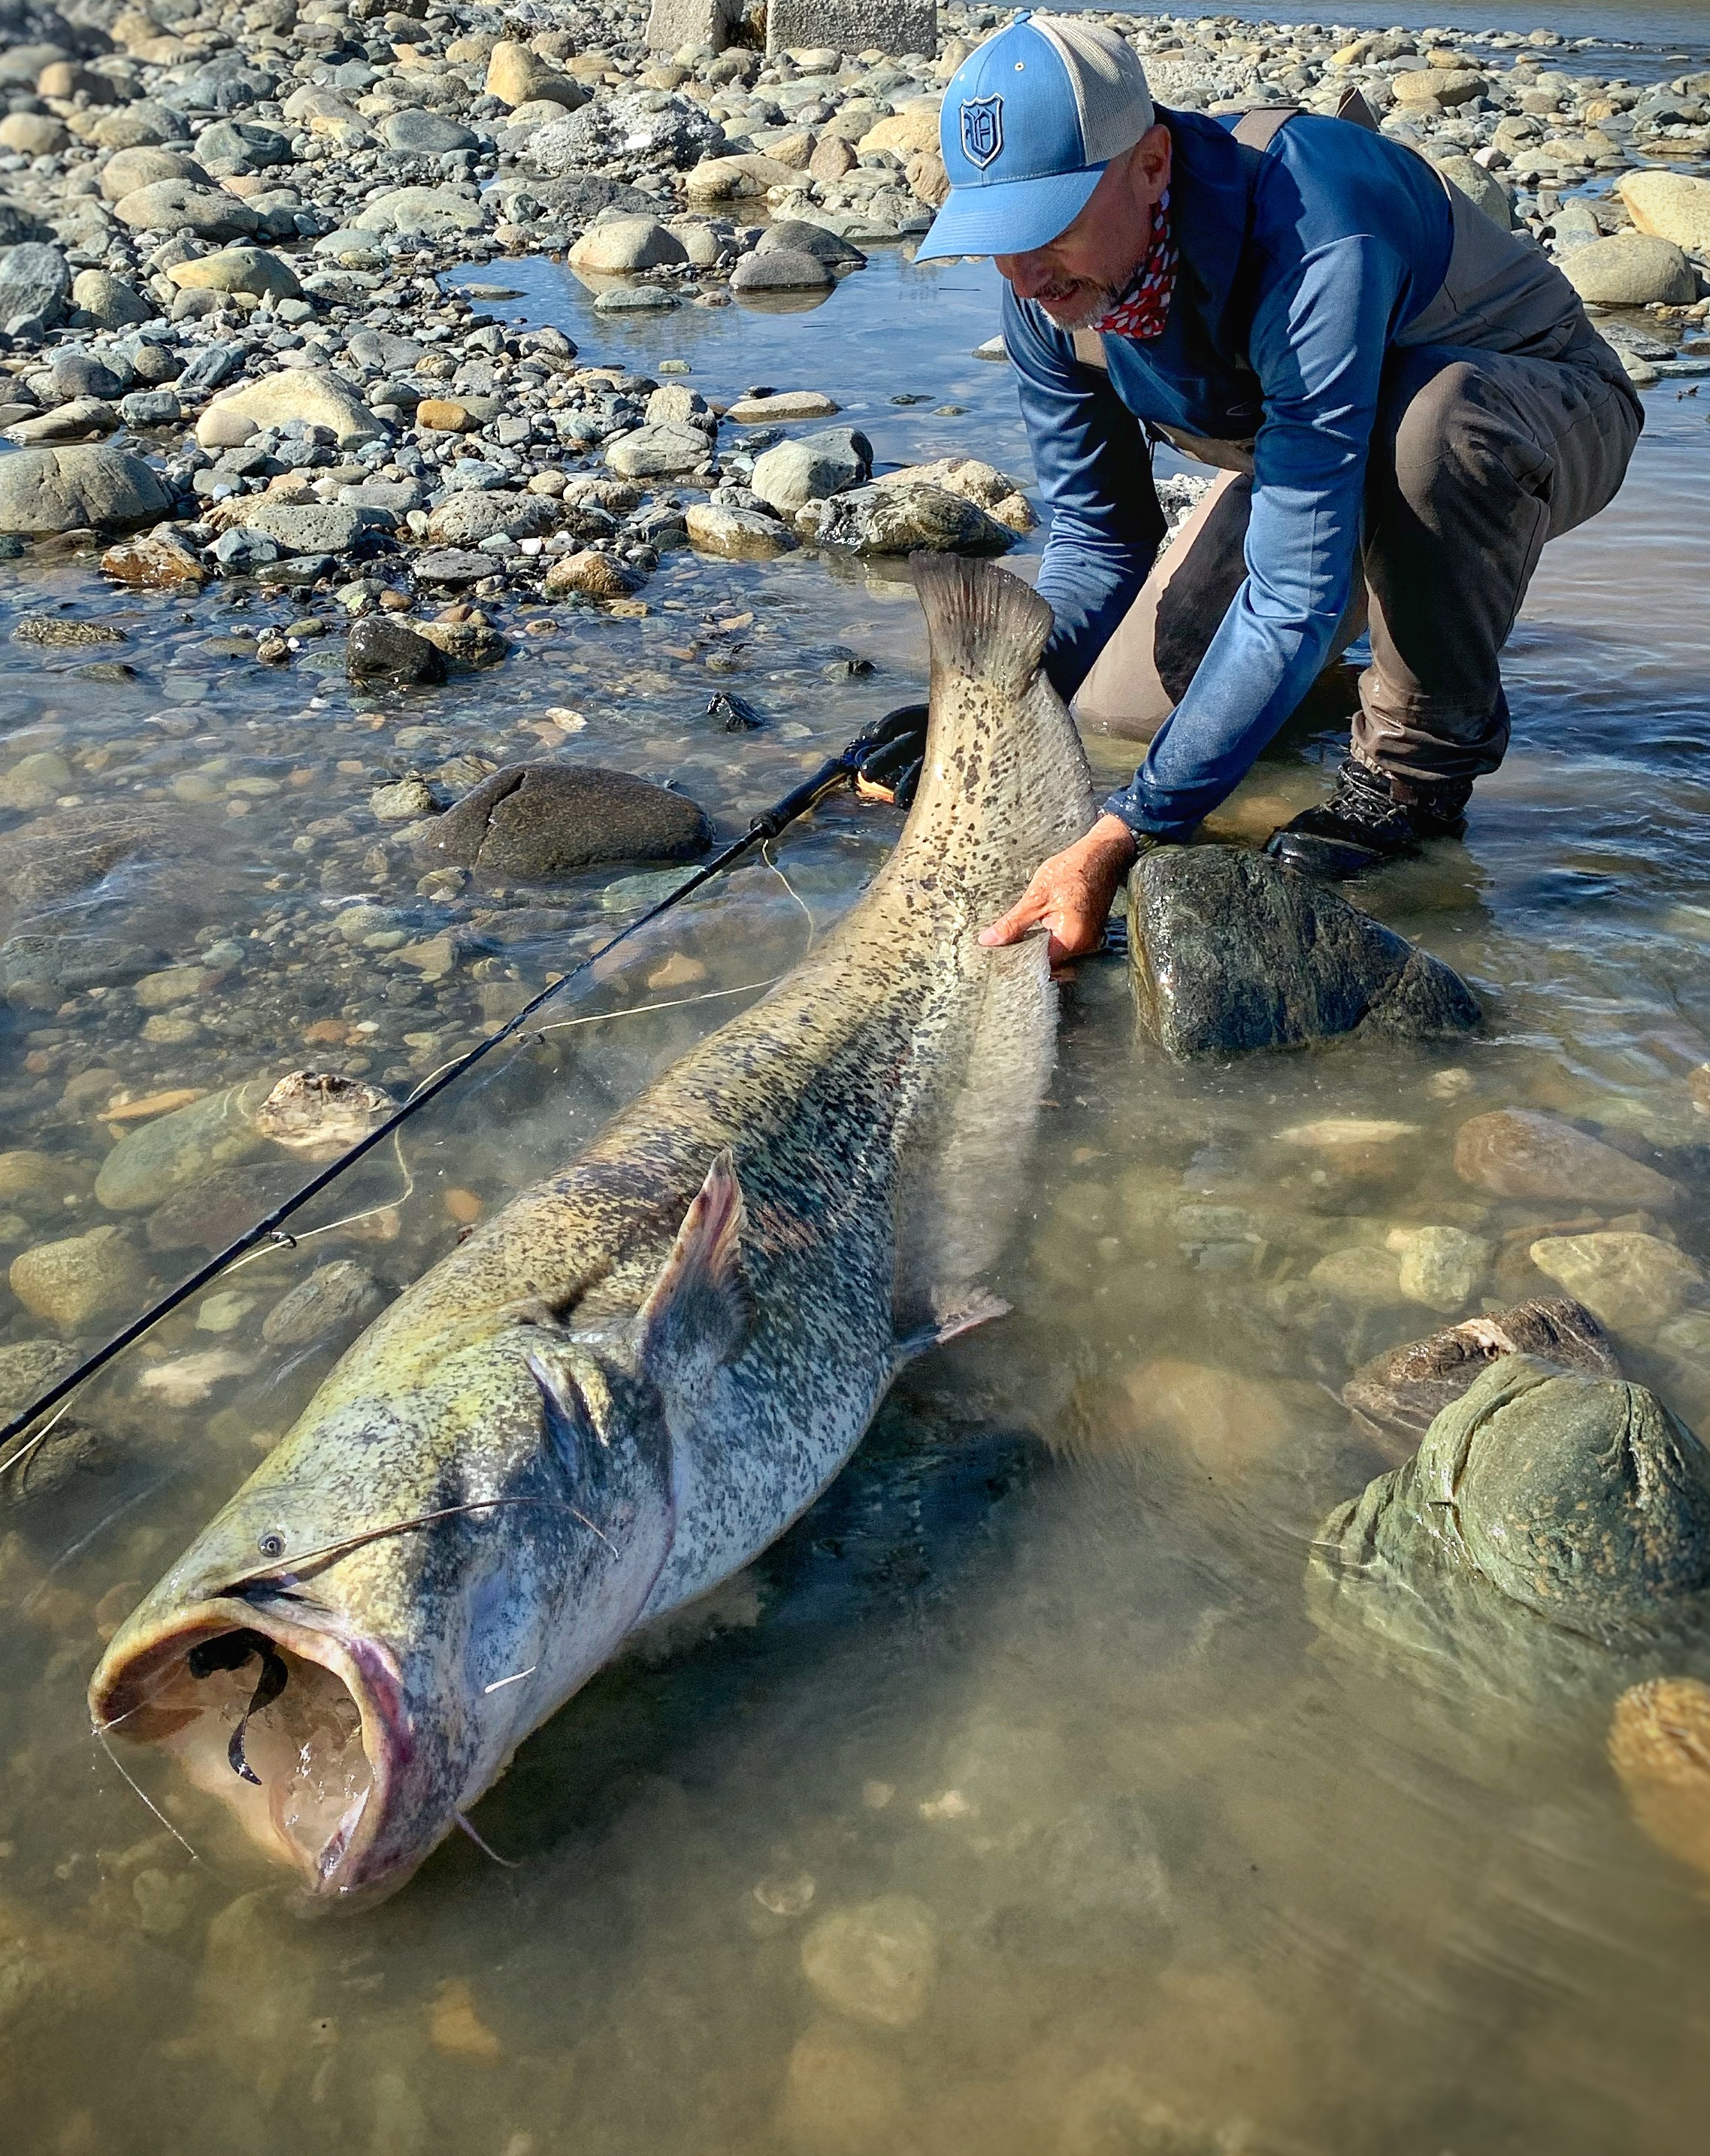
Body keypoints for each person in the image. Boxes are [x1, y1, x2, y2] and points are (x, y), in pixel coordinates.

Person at [909, 14, 1642, 966]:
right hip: (1305, 444)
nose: (1019, 271)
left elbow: (1290, 594)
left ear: (1151, 164)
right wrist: (988, 701)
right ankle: (1374, 651)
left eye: (1046, 225)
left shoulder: (1315, 227)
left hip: (1526, 411)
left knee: (1428, 431)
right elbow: (1098, 539)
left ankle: (1416, 765)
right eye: (993, 235)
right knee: (1130, 712)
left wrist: (1126, 828)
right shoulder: (1048, 296)